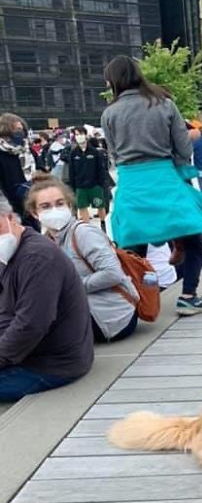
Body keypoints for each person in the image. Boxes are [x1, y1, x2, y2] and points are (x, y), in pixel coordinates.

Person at [101, 55, 202, 315]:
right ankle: (188, 296)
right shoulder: (164, 104)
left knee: (133, 249)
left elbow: (113, 153)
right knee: (193, 240)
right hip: (165, 178)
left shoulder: (109, 113)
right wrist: (177, 169)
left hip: (132, 183)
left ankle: (138, 304)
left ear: (113, 82)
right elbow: (183, 145)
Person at [0, 192, 93, 401]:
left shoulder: (37, 257)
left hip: (51, 363)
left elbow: (31, 325)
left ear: (11, 218)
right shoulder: (10, 252)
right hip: (28, 353)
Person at [27, 176, 139, 344]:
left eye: (59, 204)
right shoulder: (46, 241)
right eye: (46, 207)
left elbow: (113, 273)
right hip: (80, 313)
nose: (54, 210)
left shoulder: (83, 233)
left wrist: (71, 287)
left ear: (70, 205)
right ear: (35, 213)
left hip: (110, 317)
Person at [66, 125, 111, 228]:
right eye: (76, 134)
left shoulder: (94, 152)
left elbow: (100, 169)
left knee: (100, 205)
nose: (79, 136)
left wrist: (101, 183)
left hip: (94, 185)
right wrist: (73, 186)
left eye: (81, 134)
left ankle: (103, 224)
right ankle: (87, 227)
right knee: (82, 207)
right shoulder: (74, 153)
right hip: (80, 186)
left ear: (86, 135)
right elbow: (71, 171)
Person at [0, 112, 32, 223]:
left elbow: (41, 171)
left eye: (22, 129)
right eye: (17, 129)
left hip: (31, 205)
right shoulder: (2, 154)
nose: (21, 133)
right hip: (10, 210)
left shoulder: (27, 151)